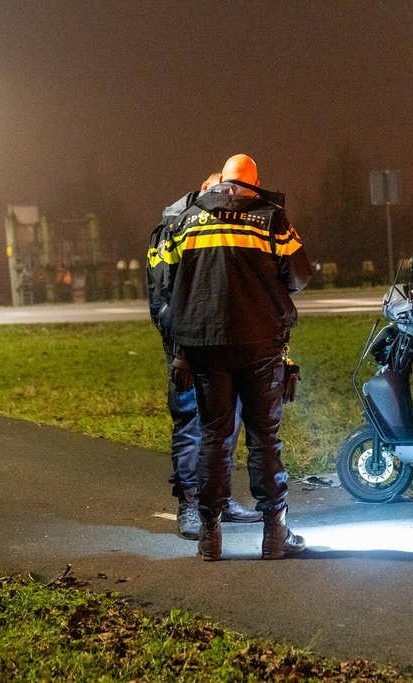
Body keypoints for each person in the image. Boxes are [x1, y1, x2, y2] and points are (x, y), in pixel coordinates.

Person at [161, 154, 311, 561]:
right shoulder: (270, 217)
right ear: (255, 182)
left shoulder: (186, 219)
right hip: (261, 345)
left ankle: (210, 537)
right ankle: (274, 535)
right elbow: (298, 276)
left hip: (205, 347)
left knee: (214, 437)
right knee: (265, 439)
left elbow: (170, 279)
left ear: (222, 180)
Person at [146, 172, 262, 540]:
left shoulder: (213, 223)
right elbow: (165, 294)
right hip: (187, 345)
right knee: (192, 422)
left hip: (220, 343)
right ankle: (190, 503)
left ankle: (218, 498)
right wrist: (183, 343)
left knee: (226, 425)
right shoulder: (173, 228)